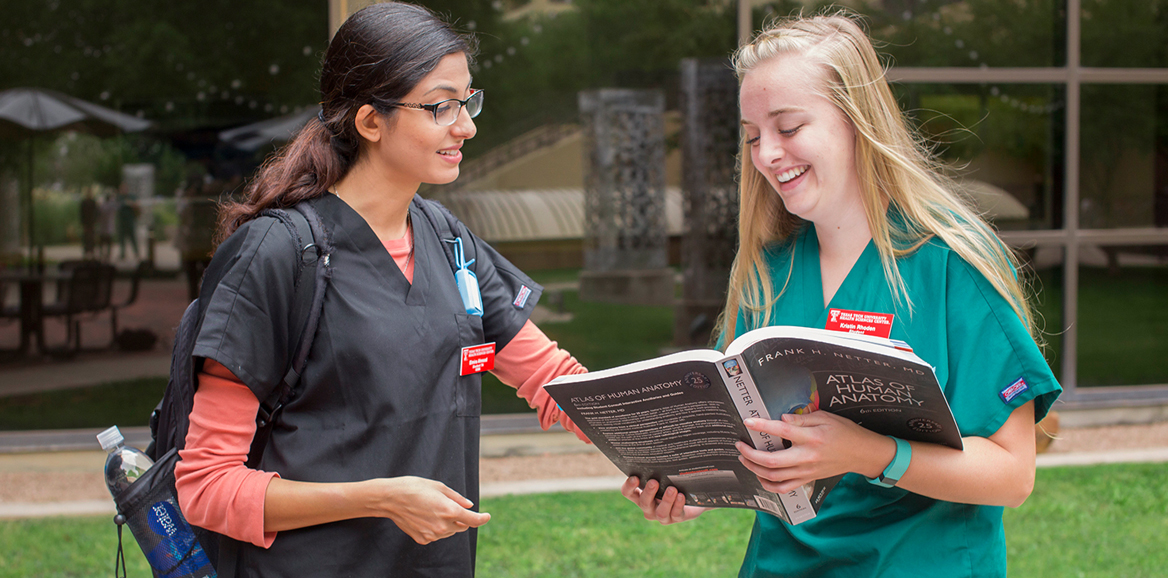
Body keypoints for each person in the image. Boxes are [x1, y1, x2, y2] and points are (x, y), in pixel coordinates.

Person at [621, 13, 1061, 578]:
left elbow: (1012, 476)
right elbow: (756, 453)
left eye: (788, 127)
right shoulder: (765, 271)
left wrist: (870, 454)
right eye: (753, 135)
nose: (767, 154)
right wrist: (690, 491)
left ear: (857, 120)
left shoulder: (951, 264)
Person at [173, 3, 588, 576]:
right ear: (370, 121)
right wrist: (380, 498)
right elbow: (207, 486)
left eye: (468, 101)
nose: (466, 125)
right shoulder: (276, 254)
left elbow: (557, 383)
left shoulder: (449, 242)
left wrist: (687, 448)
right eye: (441, 106)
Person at [115, 183, 139, 260]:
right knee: (122, 239)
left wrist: (129, 203)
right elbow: (116, 206)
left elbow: (136, 204)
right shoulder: (119, 197)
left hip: (130, 220)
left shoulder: (131, 196)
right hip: (122, 221)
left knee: (133, 238)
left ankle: (136, 253)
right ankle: (123, 254)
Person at [79, 189, 98, 258]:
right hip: (86, 223)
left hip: (91, 222)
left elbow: (96, 213)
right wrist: (83, 223)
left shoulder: (93, 202)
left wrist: (95, 221)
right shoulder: (84, 202)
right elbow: (81, 214)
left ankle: (92, 251)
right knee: (86, 237)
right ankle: (86, 251)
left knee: (92, 238)